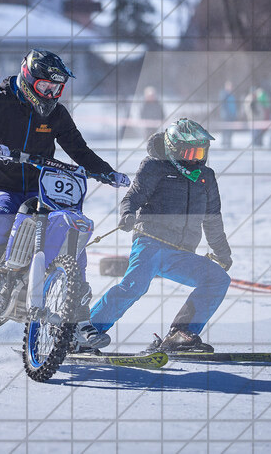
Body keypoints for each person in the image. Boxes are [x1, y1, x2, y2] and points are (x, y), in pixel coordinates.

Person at [0, 49, 129, 349]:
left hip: (41, 187)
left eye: (56, 88)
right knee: (3, 216)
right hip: (2, 184)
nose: (50, 93)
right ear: (27, 79)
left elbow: (79, 149)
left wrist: (106, 172)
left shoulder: (57, 114)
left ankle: (78, 316)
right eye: (45, 87)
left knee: (70, 234)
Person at [83, 118, 232, 352]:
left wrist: (222, 252)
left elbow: (213, 218)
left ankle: (181, 334)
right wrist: (128, 214)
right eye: (191, 151)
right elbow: (132, 196)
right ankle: (84, 333)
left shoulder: (206, 177)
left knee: (218, 278)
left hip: (181, 253)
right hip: (150, 244)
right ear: (175, 149)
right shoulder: (154, 167)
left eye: (201, 151)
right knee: (134, 286)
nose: (197, 158)